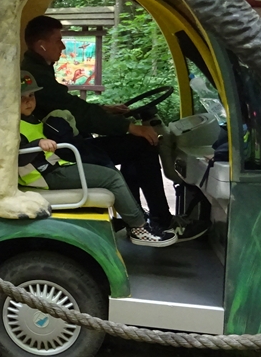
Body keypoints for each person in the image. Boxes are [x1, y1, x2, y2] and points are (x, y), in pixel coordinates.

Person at [21, 15, 174, 229]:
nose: (63, 46)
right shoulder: (35, 75)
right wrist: (130, 127)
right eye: (58, 40)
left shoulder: (39, 68)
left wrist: (105, 110)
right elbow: (78, 112)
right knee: (142, 145)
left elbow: (68, 105)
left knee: (135, 147)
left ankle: (138, 215)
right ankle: (161, 221)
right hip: (63, 151)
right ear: (42, 46)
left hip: (66, 143)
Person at [18, 71, 176, 247]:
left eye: (31, 96)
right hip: (44, 175)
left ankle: (135, 217)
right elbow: (17, 157)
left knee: (106, 166)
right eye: (22, 98)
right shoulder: (13, 126)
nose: (28, 101)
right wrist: (38, 143)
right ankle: (139, 228)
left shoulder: (32, 119)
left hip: (54, 166)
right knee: (111, 177)